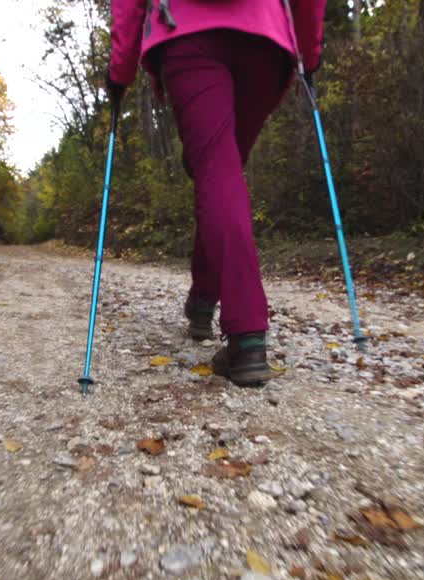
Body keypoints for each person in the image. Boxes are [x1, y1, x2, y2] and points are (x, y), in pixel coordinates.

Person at [107, 0, 326, 386]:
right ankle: (203, 299)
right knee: (220, 173)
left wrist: (120, 72)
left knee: (215, 171)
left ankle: (247, 334)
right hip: (265, 41)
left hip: (187, 35)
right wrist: (309, 54)